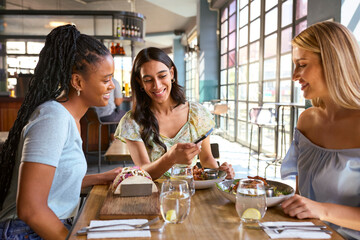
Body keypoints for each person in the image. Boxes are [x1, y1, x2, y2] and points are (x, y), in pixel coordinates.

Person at [0, 24, 122, 239]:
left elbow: (55, 182)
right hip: (25, 232)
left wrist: (102, 177)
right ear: (77, 81)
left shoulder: (70, 118)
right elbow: (30, 209)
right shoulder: (53, 118)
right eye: (106, 79)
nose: (112, 86)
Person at [280, 21, 360, 239]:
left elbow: (315, 207)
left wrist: (321, 210)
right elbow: (301, 197)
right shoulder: (306, 121)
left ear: (334, 63)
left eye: (302, 64)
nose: (295, 76)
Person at [114, 47, 235, 180]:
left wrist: (221, 172)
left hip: (191, 193)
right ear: (140, 82)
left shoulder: (197, 113)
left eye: (162, 76)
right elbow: (143, 171)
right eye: (148, 80)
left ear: (171, 73)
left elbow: (206, 158)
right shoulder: (132, 121)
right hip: (154, 195)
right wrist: (171, 158)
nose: (157, 85)